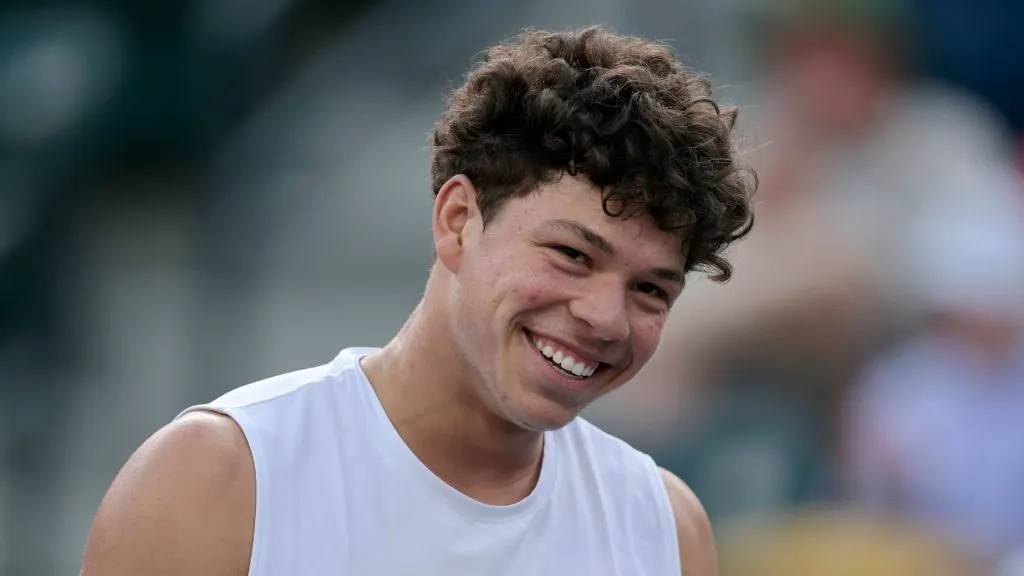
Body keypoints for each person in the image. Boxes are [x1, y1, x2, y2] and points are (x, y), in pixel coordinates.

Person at [80, 26, 754, 575]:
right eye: (572, 255)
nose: (606, 319)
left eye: (649, 290)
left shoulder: (665, 529)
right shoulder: (216, 480)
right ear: (457, 220)